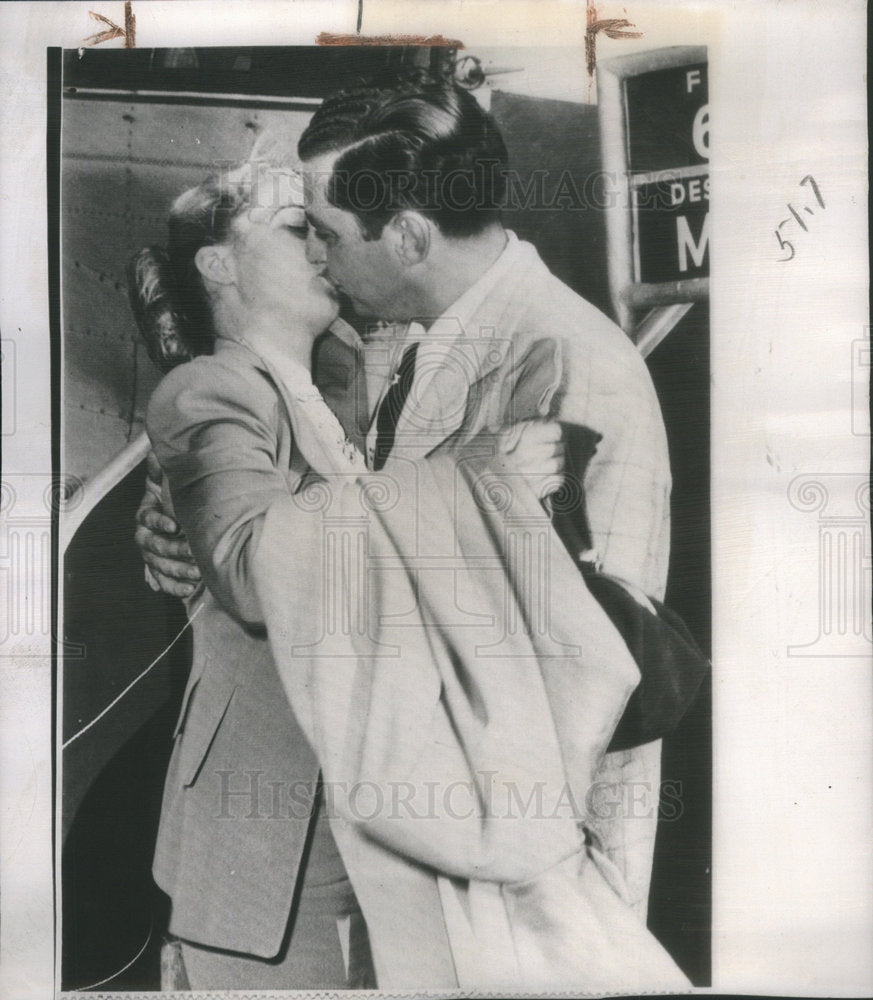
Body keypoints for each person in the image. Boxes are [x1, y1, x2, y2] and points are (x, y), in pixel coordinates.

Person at [136, 73, 676, 983]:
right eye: (297, 229)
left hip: (510, 857)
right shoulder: (420, 343)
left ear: (412, 236)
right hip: (410, 845)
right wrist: (192, 524)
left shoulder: (566, 362)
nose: (321, 257)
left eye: (329, 233)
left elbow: (597, 658)